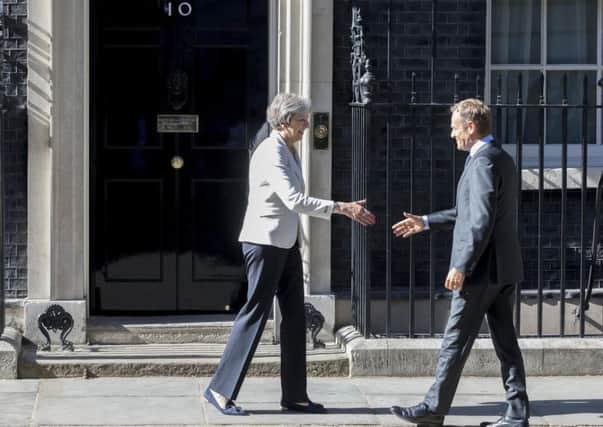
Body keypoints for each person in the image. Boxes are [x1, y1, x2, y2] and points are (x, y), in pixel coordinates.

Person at [204, 93, 376, 416]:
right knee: (254, 313)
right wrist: (341, 207)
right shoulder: (271, 152)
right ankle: (219, 389)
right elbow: (294, 199)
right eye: (302, 121)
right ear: (284, 122)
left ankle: (295, 396)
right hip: (265, 243)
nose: (307, 126)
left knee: (295, 318)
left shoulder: (288, 149)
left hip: (285, 244)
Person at [390, 98, 529, 427]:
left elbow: (479, 221)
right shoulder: (500, 158)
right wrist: (425, 220)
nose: (452, 136)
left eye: (455, 129)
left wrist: (462, 265)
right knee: (506, 343)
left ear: (470, 127)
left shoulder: (482, 163)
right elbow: (471, 214)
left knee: (455, 339)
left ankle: (433, 408)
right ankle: (517, 412)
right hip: (503, 268)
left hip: (480, 271)